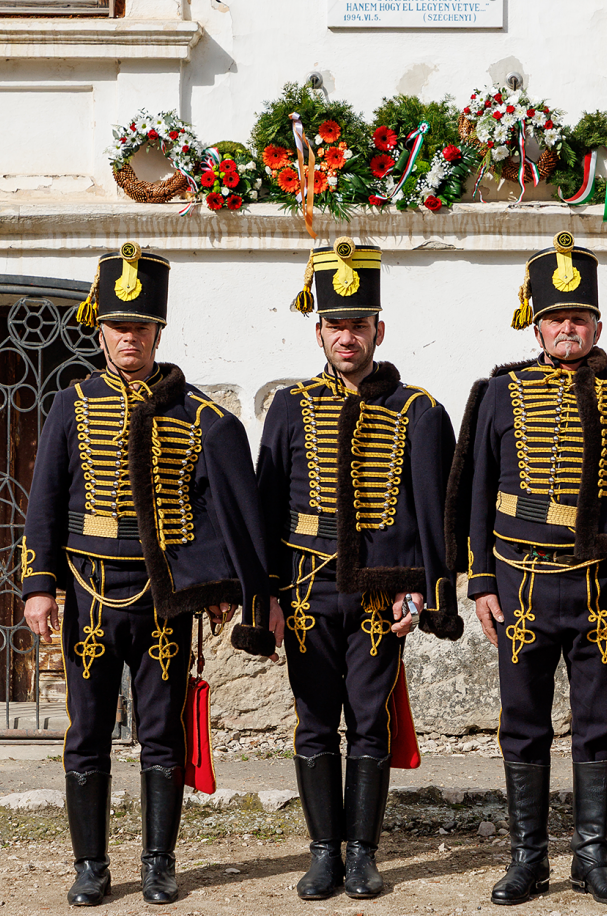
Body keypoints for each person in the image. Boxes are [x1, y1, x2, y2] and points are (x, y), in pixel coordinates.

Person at [21, 243, 273, 907]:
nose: (128, 337)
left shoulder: (197, 415)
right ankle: (91, 867)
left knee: (161, 734)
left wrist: (221, 586)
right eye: (117, 326)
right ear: (99, 328)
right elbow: (45, 498)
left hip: (165, 600)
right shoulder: (71, 405)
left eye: (140, 327)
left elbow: (218, 510)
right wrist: (38, 584)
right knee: (88, 733)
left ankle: (159, 864)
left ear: (157, 332)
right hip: (90, 594)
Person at [450, 232, 607, 907]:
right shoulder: (497, 393)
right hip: (520, 584)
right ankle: (527, 858)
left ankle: (592, 857)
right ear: (537, 324)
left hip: (598, 589)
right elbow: (473, 492)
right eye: (555, 318)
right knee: (521, 722)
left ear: (597, 325)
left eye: (578, 318)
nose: (566, 328)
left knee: (598, 723)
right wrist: (479, 582)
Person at [257, 238, 461, 900]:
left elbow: (435, 514)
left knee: (369, 721)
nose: (348, 336)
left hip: (380, 597)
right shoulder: (287, 407)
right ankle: (323, 852)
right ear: (318, 330)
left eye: (359, 324)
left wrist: (426, 592)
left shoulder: (418, 409)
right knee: (315, 719)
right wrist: (266, 596)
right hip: (308, 592)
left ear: (379, 328)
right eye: (336, 324)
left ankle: (364, 854)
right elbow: (265, 510)